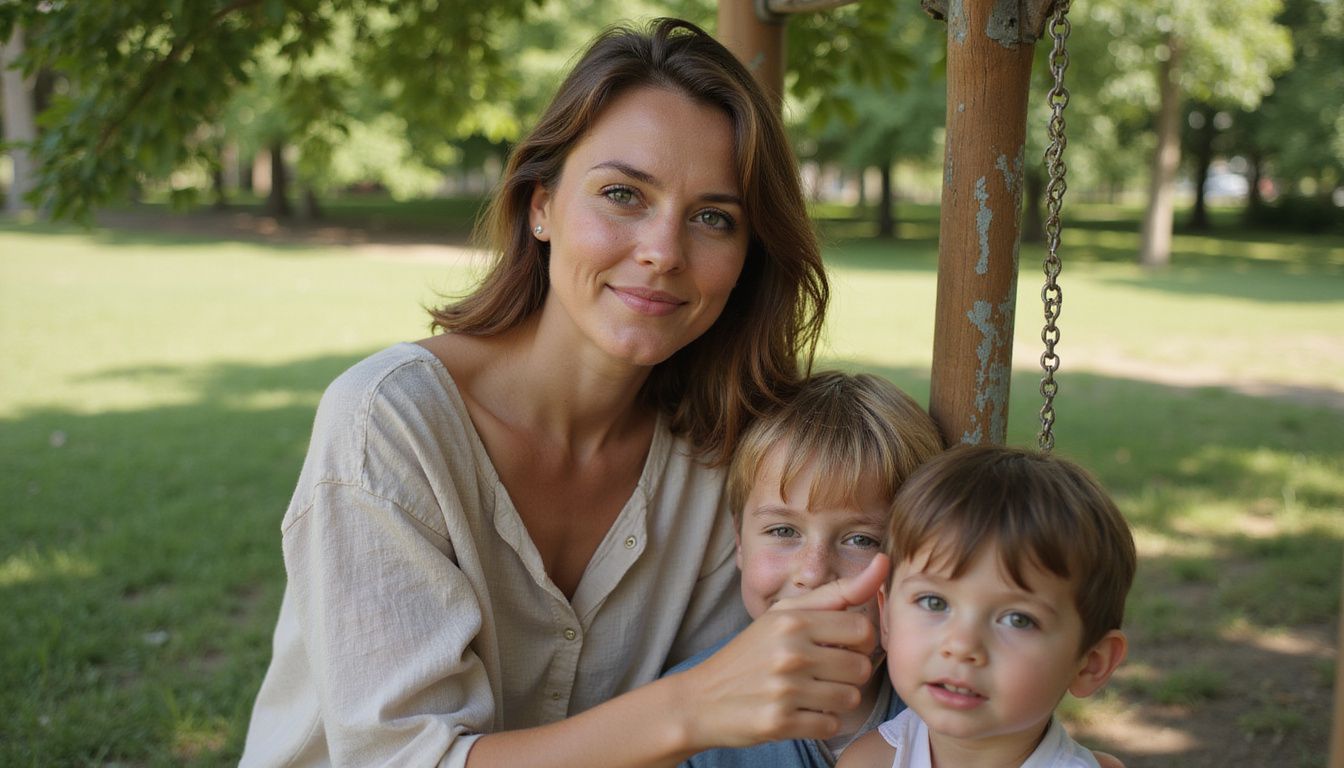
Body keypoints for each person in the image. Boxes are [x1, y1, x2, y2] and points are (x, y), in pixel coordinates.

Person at [240, 17, 887, 768]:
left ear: (748, 255)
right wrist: (693, 706)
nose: (662, 251)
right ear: (540, 205)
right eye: (623, 194)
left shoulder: (734, 455)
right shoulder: (389, 423)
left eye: (713, 218)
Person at [667, 370, 945, 768]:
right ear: (740, 542)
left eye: (861, 540)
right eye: (783, 531)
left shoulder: (947, 706)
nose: (814, 574)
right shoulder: (686, 724)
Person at [838, 445, 1136, 768]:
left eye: (1018, 620)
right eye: (933, 602)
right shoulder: (869, 762)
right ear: (888, 618)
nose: (963, 645)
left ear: (1091, 662)